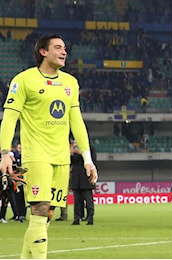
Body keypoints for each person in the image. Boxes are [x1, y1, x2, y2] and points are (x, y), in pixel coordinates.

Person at [0, 33, 98, 259]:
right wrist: (5, 152)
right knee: (39, 209)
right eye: (57, 47)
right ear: (43, 52)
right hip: (36, 155)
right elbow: (10, 118)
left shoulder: (70, 83)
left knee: (48, 214)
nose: (64, 52)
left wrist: (87, 158)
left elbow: (77, 122)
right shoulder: (23, 80)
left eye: (64, 48)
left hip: (61, 157)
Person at [70, 141, 96, 225]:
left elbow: (92, 161)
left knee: (88, 200)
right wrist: (71, 151)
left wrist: (81, 153)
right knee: (77, 201)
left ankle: (90, 218)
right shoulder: (74, 151)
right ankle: (76, 218)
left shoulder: (91, 149)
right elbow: (70, 161)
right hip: (76, 179)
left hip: (86, 179)